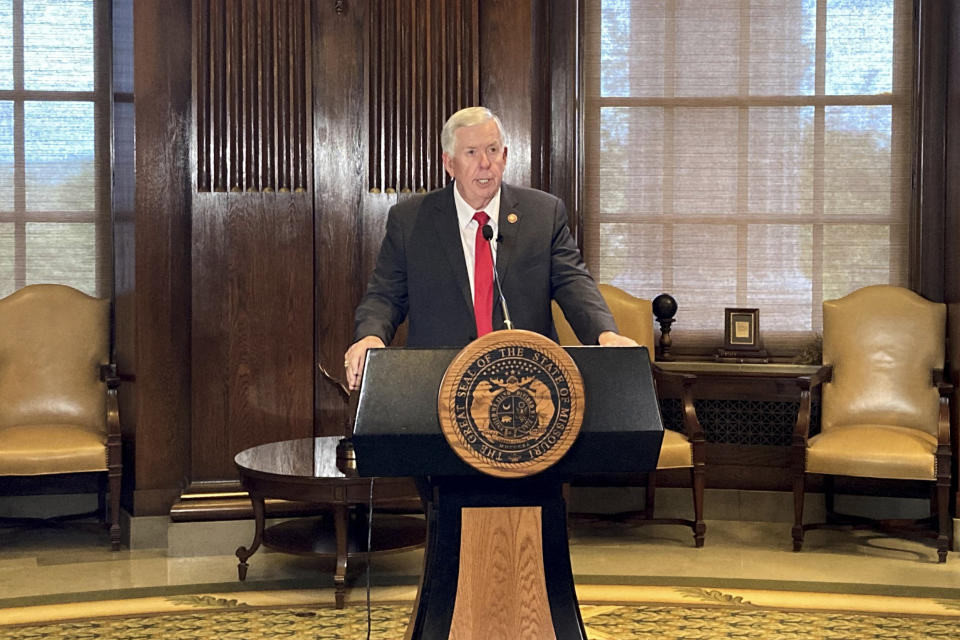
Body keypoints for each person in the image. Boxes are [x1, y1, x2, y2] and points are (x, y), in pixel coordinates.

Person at [344, 106, 636, 389]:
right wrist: (370, 337)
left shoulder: (543, 214)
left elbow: (574, 283)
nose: (485, 163)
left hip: (527, 383)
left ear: (505, 156)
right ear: (449, 163)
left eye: (493, 150)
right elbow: (386, 295)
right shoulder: (410, 221)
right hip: (440, 382)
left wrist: (604, 334)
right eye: (471, 153)